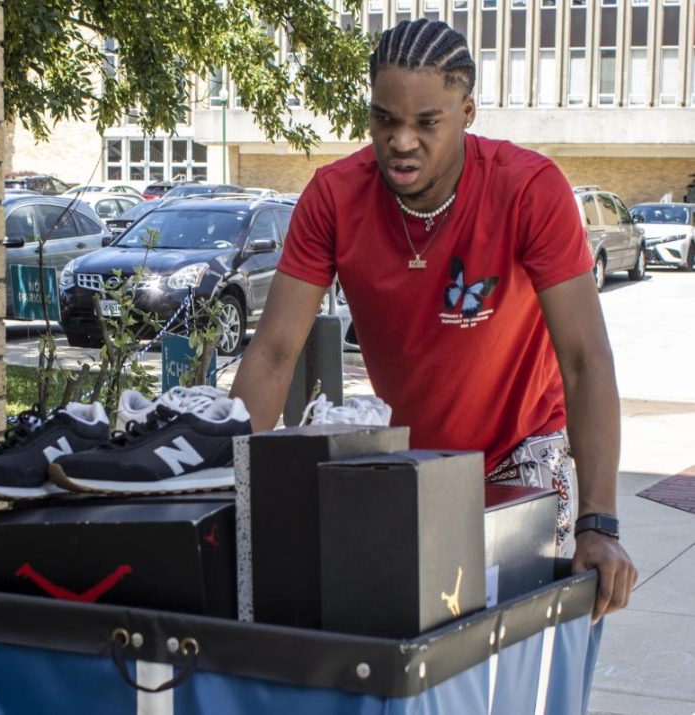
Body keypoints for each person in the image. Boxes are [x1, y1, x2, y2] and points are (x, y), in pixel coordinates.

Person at [230, 18, 636, 623]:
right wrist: (221, 491)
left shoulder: (529, 189)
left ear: (467, 111)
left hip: (521, 454)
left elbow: (583, 359)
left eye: (426, 123)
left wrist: (598, 522)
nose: (401, 141)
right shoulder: (334, 197)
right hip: (415, 465)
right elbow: (272, 355)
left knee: (518, 665)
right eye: (385, 119)